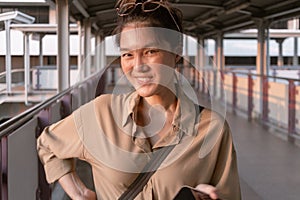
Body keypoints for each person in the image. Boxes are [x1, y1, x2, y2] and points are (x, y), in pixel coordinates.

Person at [37, 0, 241, 199]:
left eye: (151, 51)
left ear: (177, 52)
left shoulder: (212, 128)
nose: (138, 65)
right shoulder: (102, 113)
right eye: (127, 55)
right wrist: (80, 193)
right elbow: (48, 144)